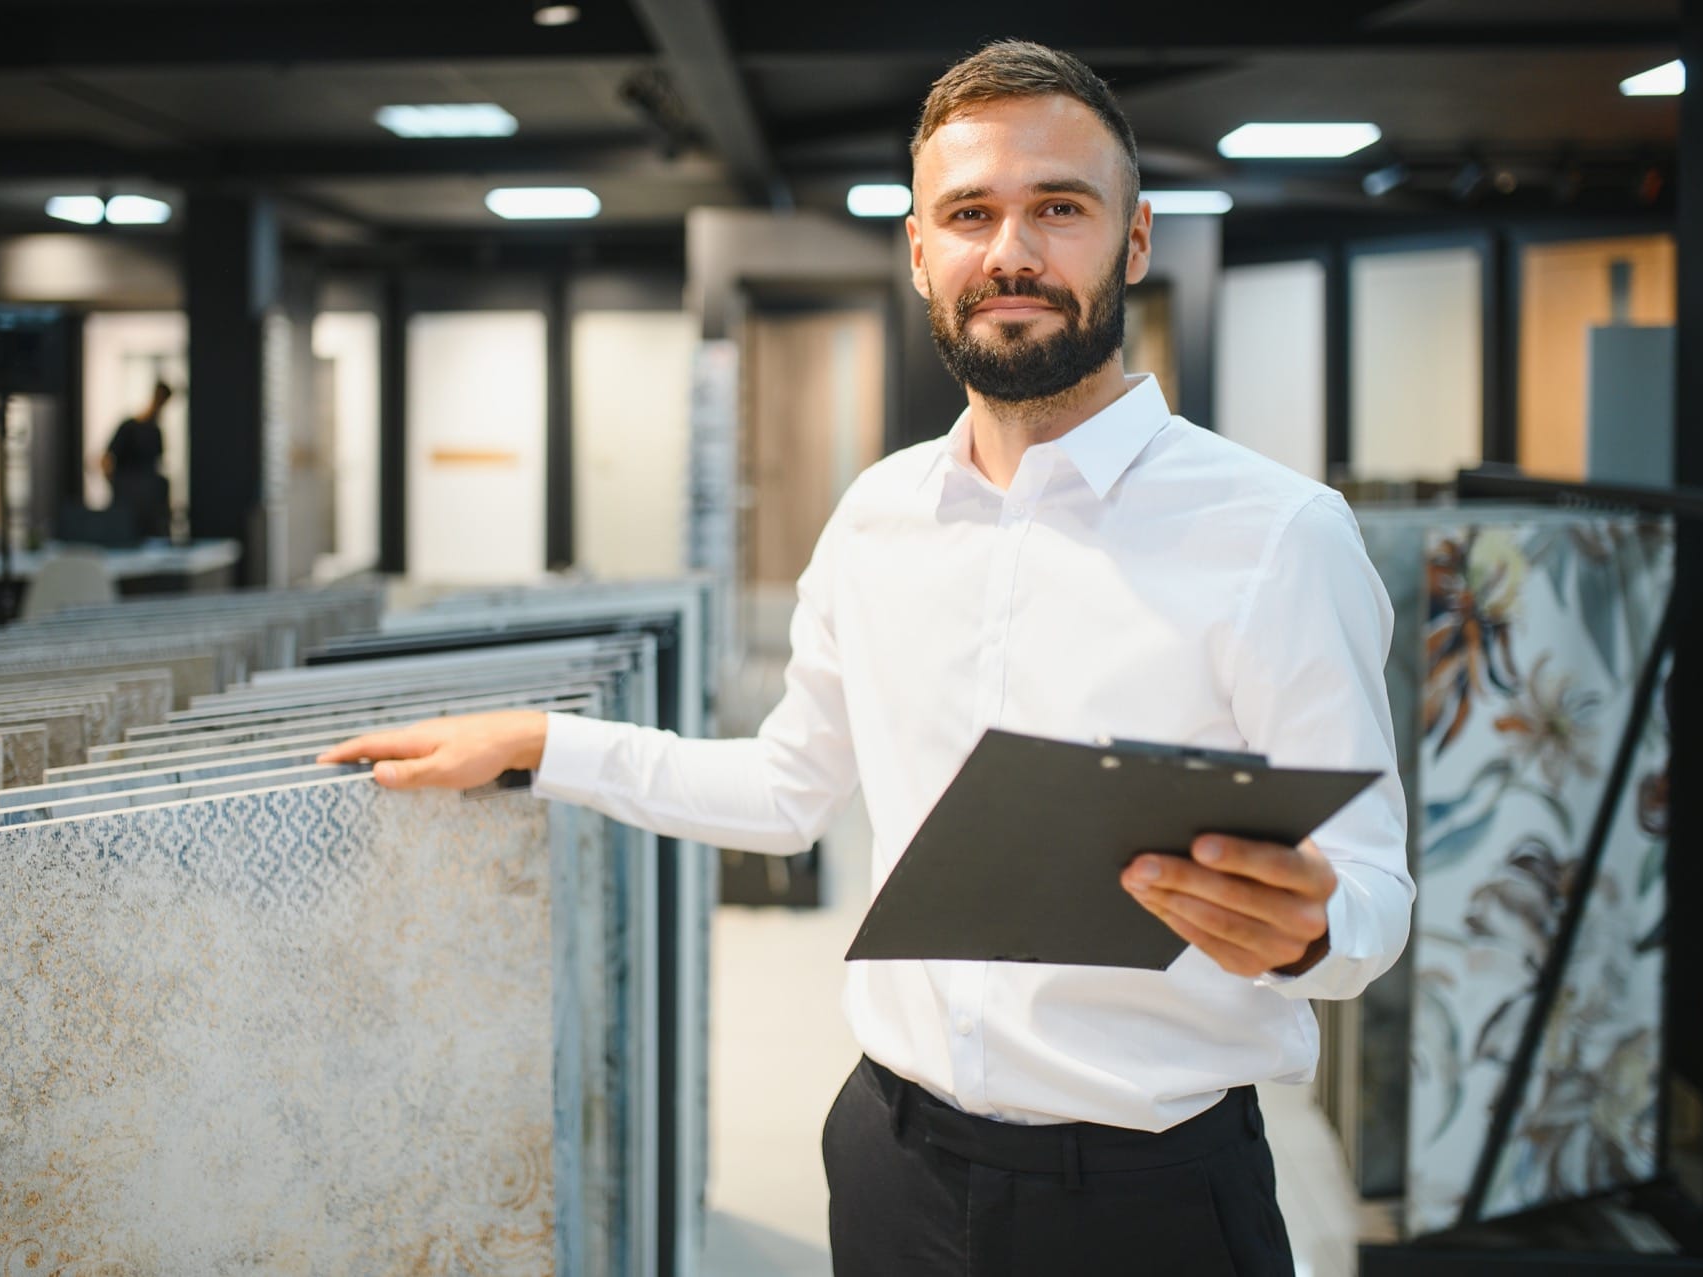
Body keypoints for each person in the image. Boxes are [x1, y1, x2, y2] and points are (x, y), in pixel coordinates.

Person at [324, 40, 1410, 1277]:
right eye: (970, 213)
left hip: (1149, 1200)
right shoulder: (879, 517)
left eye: (1060, 208)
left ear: (1135, 240)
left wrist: (1306, 931)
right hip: (895, 1166)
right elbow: (786, 790)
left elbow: (1372, 899)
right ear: (919, 252)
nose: (1012, 250)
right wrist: (539, 742)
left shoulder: (1277, 534)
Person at [102, 381, 173, 539]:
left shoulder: (155, 431)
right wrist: (117, 485)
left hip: (149, 504)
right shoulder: (129, 427)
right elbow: (106, 459)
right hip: (127, 501)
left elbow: (157, 465)